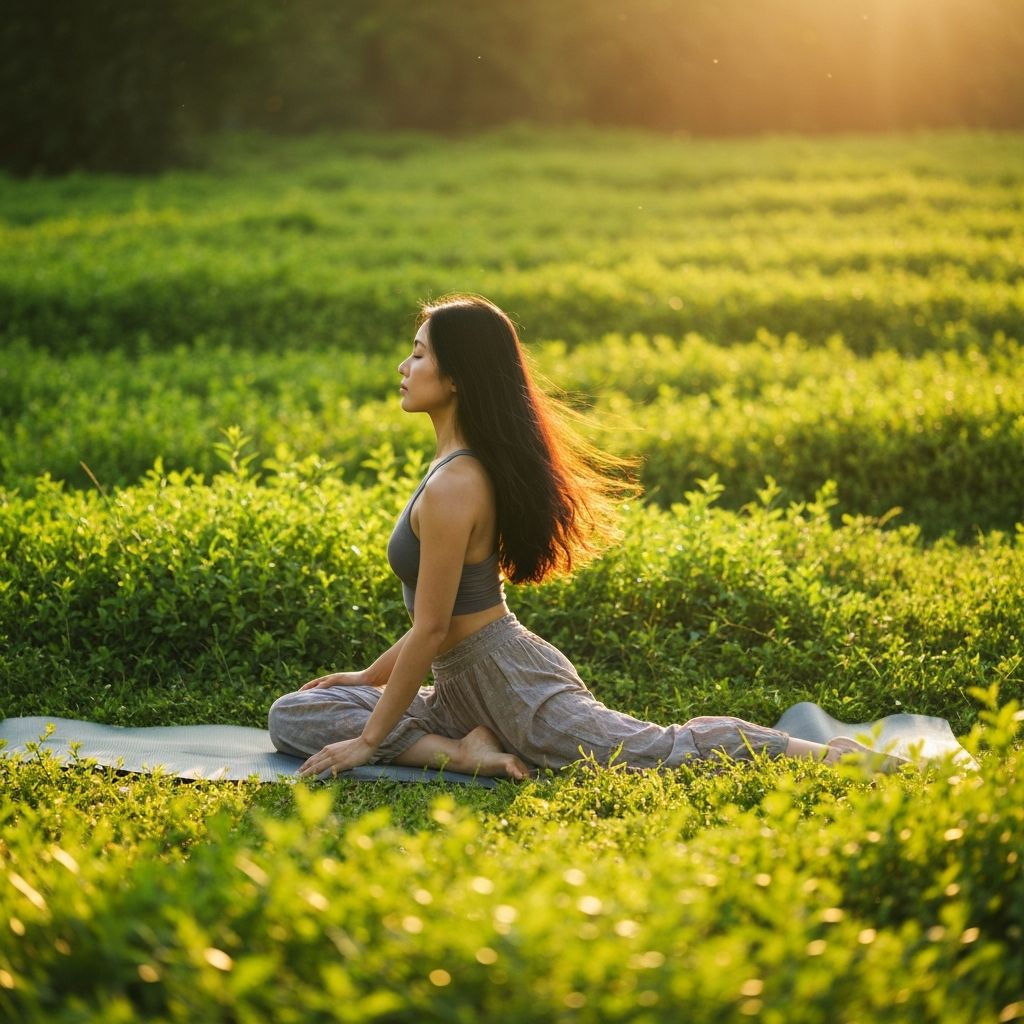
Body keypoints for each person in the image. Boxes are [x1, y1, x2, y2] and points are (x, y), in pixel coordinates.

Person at [268, 295, 905, 780]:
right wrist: (367, 676)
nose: (403, 367)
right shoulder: (449, 467)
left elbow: (432, 627)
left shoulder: (456, 484)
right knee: (295, 712)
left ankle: (829, 756)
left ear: (456, 376)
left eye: (418, 354)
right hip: (459, 684)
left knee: (654, 750)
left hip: (510, 681)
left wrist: (367, 742)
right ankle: (462, 751)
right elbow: (432, 628)